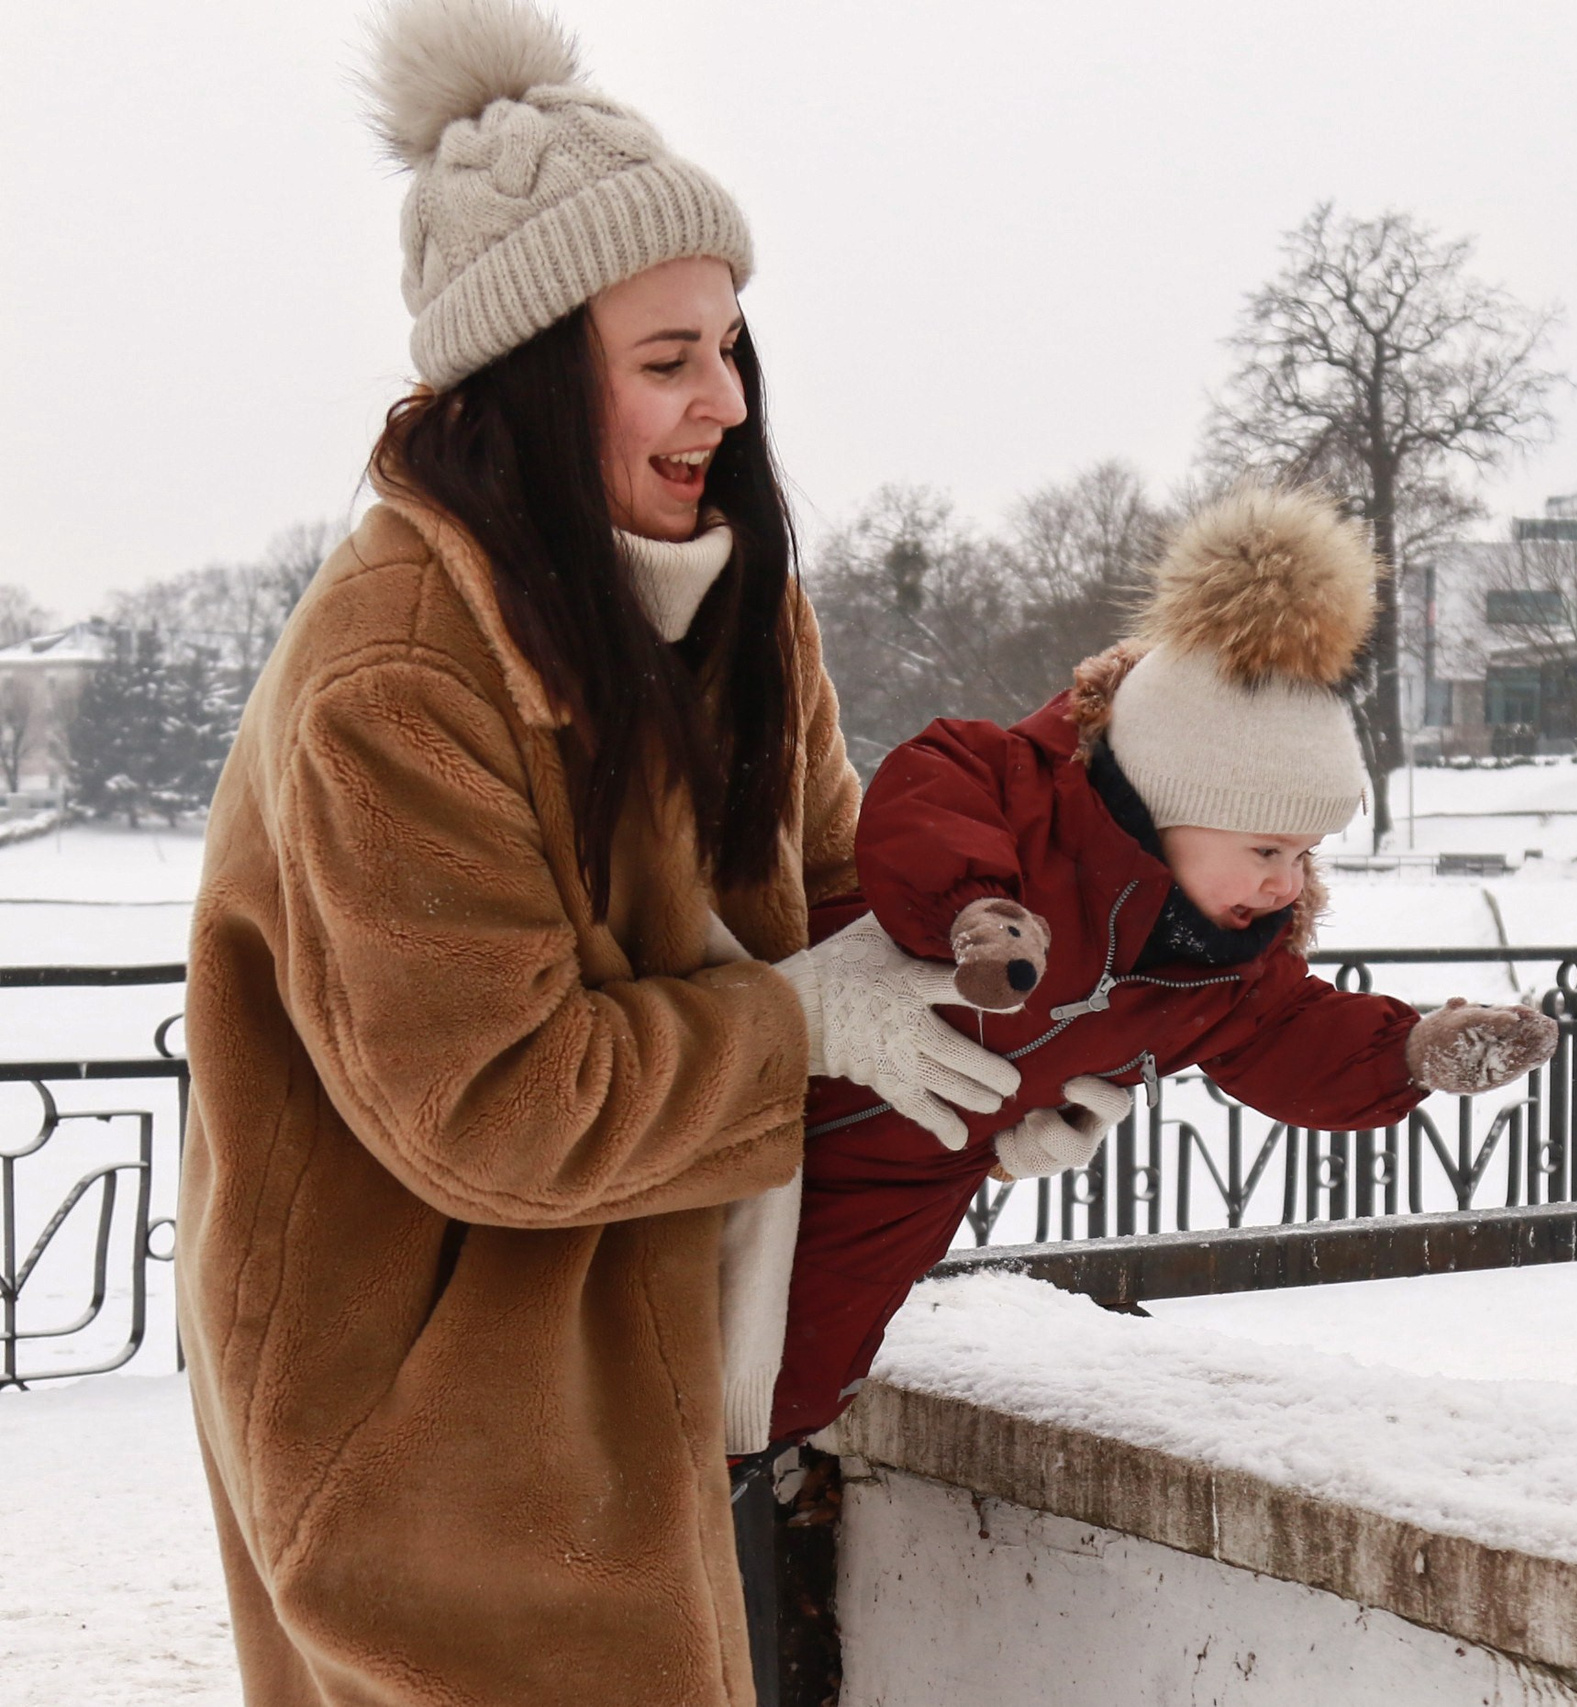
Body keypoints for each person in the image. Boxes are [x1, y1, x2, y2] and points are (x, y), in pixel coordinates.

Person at [176, 3, 1016, 1702]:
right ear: (535, 381)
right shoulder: (395, 670)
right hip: (428, 1424)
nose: (727, 400)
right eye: (667, 359)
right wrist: (808, 1024)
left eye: (731, 346)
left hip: (651, 1357)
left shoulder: (738, 597)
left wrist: (1009, 1039)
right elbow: (495, 1102)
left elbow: (839, 899)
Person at [766, 487, 1559, 1441]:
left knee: (792, 1373)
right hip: (771, 1072)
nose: (1286, 881)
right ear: (1164, 806)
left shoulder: (1224, 975)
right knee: (669, 1299)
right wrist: (977, 910)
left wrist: (1411, 1053)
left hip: (905, 1181)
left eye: (1304, 854)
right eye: (1265, 849)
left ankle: (747, 1469)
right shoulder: (1029, 811)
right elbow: (932, 786)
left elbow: (1295, 1040)